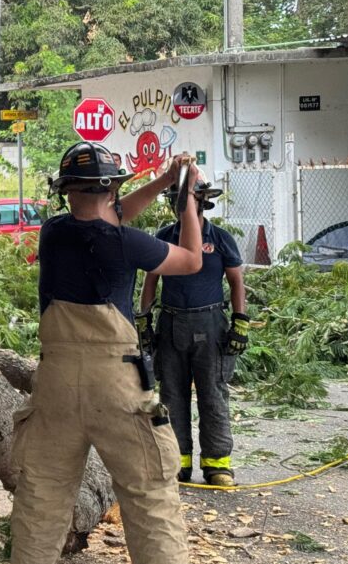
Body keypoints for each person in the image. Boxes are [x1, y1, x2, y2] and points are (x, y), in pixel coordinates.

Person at [10, 142, 205, 564]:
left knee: (40, 501)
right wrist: (187, 199)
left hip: (56, 384)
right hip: (117, 383)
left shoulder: (54, 233)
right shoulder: (128, 244)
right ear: (113, 189)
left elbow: (109, 214)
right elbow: (190, 260)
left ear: (66, 192)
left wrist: (166, 181)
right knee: (149, 496)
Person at [139, 181, 248, 487]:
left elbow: (237, 282)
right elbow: (151, 281)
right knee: (172, 395)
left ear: (201, 202)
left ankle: (217, 466)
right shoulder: (164, 237)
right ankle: (178, 463)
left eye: (185, 199)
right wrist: (144, 320)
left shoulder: (220, 239)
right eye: (176, 199)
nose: (179, 205)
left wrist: (240, 321)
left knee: (213, 394)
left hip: (211, 323)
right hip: (172, 323)